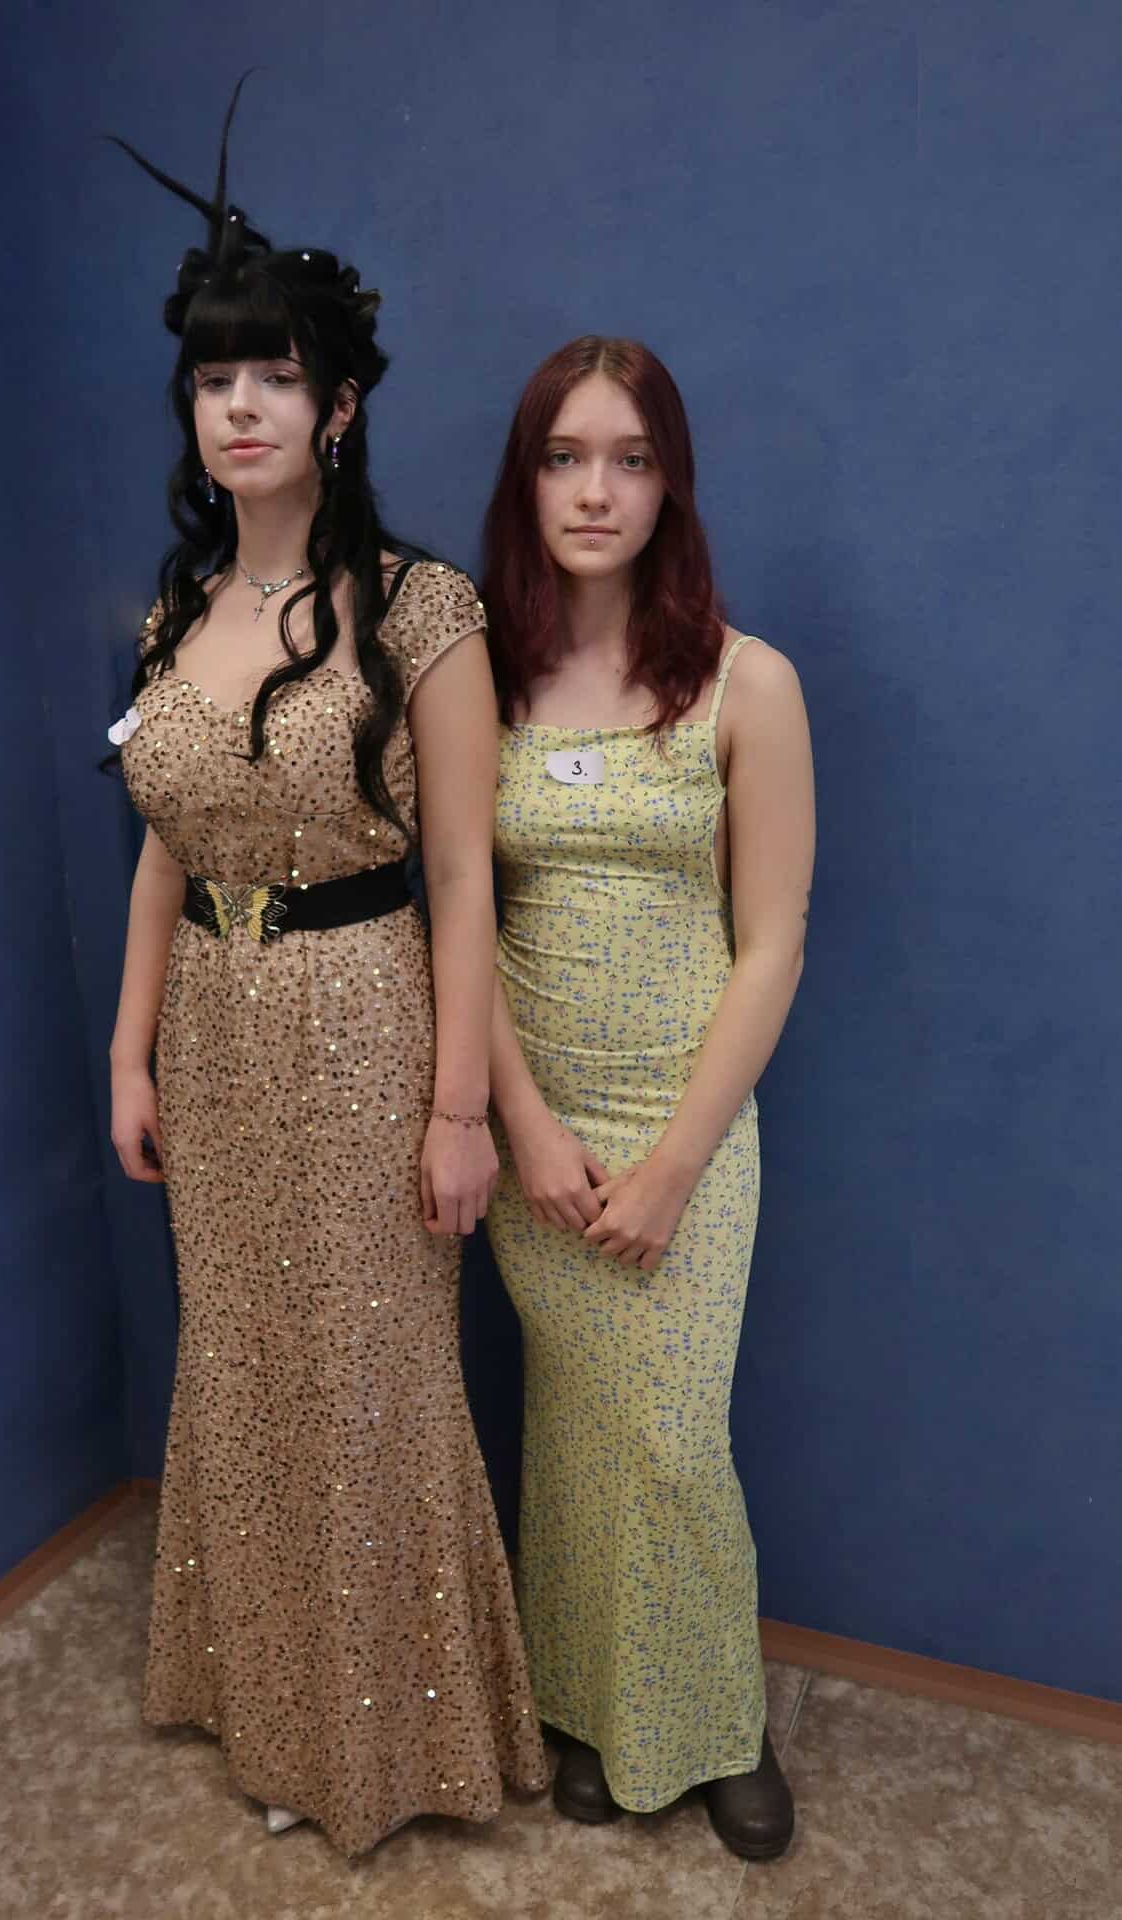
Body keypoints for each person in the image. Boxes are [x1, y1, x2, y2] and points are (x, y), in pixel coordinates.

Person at [104, 91, 546, 1857]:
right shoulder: (175, 617)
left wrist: (459, 1109)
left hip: (368, 1026)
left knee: (368, 1378)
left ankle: (388, 1747)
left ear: (336, 405)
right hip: (210, 1042)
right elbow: (164, 845)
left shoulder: (423, 611)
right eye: (213, 378)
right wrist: (127, 1055)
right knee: (245, 1366)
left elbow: (463, 874)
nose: (237, 407)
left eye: (272, 377)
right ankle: (274, 1715)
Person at [480, 336, 814, 1858]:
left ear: (670, 482)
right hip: (531, 1135)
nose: (595, 491)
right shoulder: (478, 680)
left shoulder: (750, 682)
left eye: (628, 459)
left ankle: (714, 1724)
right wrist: (521, 1126)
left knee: (673, 1440)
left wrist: (676, 1160)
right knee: (577, 1426)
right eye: (564, 457)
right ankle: (592, 1707)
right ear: (526, 479)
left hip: (688, 1129)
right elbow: (455, 918)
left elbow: (774, 942)